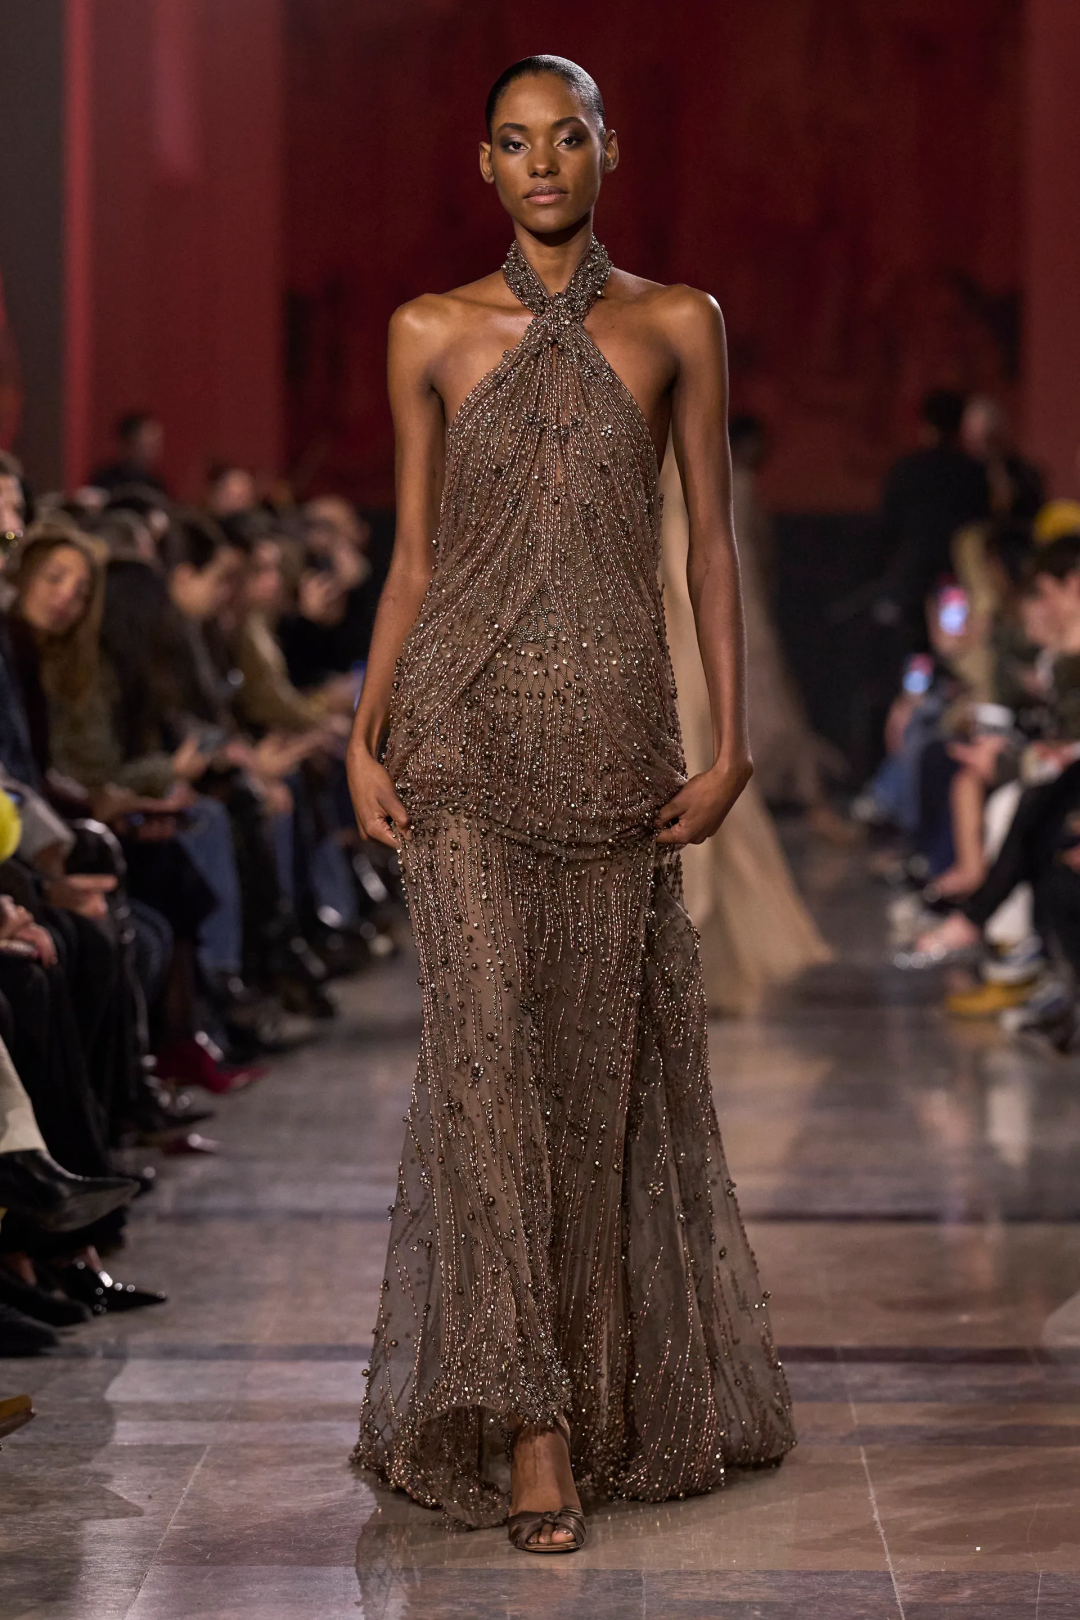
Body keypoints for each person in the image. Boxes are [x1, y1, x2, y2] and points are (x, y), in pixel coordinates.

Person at [346, 56, 794, 1554]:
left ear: (610, 150)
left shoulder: (678, 323)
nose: (543, 162)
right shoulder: (427, 329)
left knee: (589, 1084)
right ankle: (534, 1426)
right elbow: (413, 559)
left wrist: (732, 744)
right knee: (486, 1068)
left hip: (615, 746)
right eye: (515, 142)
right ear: (482, 164)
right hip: (459, 741)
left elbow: (710, 544)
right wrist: (361, 736)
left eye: (568, 137)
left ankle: (591, 1395)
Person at [874, 389, 991, 649]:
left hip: (911, 581)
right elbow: (982, 526)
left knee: (916, 654)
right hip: (957, 579)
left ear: (925, 425)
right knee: (955, 653)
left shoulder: (905, 470)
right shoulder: (972, 471)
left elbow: (887, 528)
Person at [89, 411, 170, 497]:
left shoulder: (156, 485)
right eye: (147, 444)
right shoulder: (105, 480)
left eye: (155, 444)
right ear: (126, 444)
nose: (154, 450)